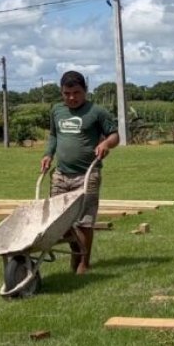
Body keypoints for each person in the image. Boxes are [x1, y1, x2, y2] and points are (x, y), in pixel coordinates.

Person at [40, 71, 119, 274]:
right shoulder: (57, 111)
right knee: (58, 220)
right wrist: (48, 154)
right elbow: (53, 136)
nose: (72, 98)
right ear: (61, 92)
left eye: (76, 93)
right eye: (67, 93)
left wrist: (105, 143)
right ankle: (76, 250)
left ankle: (84, 262)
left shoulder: (96, 112)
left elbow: (115, 136)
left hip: (87, 175)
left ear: (85, 91)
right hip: (61, 174)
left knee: (84, 221)